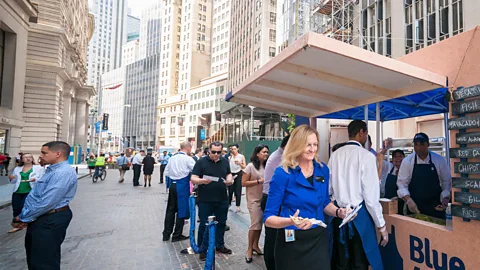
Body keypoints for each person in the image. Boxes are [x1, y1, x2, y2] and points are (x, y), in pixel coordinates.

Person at [264, 125, 350, 270]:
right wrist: (290, 221)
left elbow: (324, 202)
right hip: (291, 242)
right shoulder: (282, 173)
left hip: (318, 239)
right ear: (297, 145)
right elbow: (268, 218)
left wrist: (338, 212)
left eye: (315, 144)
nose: (312, 149)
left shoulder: (322, 170)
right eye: (307, 145)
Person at [328, 120, 387, 270]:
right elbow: (371, 198)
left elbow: (328, 190)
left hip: (338, 215)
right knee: (360, 262)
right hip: (359, 217)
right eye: (366, 133)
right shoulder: (366, 156)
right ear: (361, 132)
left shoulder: (334, 155)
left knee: (341, 262)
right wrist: (381, 225)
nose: (366, 136)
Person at [11, 141, 77, 270]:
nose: (40, 156)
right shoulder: (52, 170)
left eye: (44, 153)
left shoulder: (62, 172)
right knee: (37, 257)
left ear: (58, 154)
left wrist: (23, 218)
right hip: (43, 217)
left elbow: (47, 201)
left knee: (43, 262)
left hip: (50, 219)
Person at [191, 141, 234, 261]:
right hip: (205, 199)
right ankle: (202, 249)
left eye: (218, 152)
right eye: (213, 152)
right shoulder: (201, 162)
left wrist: (229, 180)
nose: (216, 154)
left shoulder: (225, 161)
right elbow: (193, 177)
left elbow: (228, 173)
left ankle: (219, 245)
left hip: (222, 198)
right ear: (209, 150)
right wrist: (202, 181)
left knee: (221, 223)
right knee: (204, 225)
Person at [397, 132, 451, 218]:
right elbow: (401, 184)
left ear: (428, 144)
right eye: (416, 144)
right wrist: (408, 200)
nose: (418, 148)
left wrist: (445, 198)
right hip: (414, 208)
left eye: (422, 144)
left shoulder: (439, 160)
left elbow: (446, 181)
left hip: (435, 207)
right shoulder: (407, 161)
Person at [261, 135, 290, 270]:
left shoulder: (279, 155)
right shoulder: (280, 158)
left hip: (273, 199)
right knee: (272, 238)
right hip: (272, 200)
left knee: (277, 237)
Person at [242, 144, 269, 263]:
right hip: (254, 199)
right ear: (257, 153)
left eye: (267, 152)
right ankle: (249, 249)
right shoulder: (250, 166)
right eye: (264, 152)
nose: (266, 154)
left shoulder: (268, 166)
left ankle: (255, 246)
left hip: (265, 199)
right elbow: (243, 183)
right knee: (255, 224)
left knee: (259, 224)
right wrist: (258, 181)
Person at [8, 153, 45, 233]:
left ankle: (26, 222)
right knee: (16, 207)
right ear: (22, 159)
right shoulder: (17, 168)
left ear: (32, 158)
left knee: (23, 206)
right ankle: (17, 225)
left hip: (30, 191)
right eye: (25, 157)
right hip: (18, 191)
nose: (28, 159)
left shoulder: (38, 168)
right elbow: (14, 181)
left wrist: (35, 179)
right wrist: (11, 178)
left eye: (29, 157)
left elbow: (42, 179)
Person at [380, 149, 405, 214]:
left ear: (404, 158)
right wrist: (386, 148)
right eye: (395, 157)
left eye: (400, 156)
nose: (398, 159)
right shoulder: (389, 167)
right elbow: (378, 158)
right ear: (392, 159)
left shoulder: (407, 170)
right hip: (388, 202)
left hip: (402, 203)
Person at [228, 144, 246, 212]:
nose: (233, 150)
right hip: (231, 174)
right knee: (230, 190)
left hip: (238, 173)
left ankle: (238, 206)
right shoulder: (230, 157)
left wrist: (239, 164)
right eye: (232, 149)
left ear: (237, 149)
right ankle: (229, 204)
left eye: (235, 149)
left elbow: (244, 166)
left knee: (238, 190)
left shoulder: (241, 156)